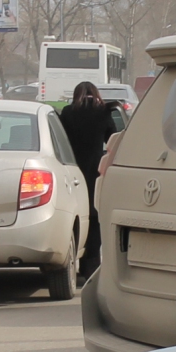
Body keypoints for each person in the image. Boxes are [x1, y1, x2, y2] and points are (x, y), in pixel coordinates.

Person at [58, 81, 122, 277]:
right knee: (95, 218)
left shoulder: (68, 112)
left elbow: (61, 138)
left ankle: (73, 258)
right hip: (95, 171)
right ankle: (90, 267)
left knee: (75, 215)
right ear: (95, 94)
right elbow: (113, 138)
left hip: (72, 169)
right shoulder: (103, 111)